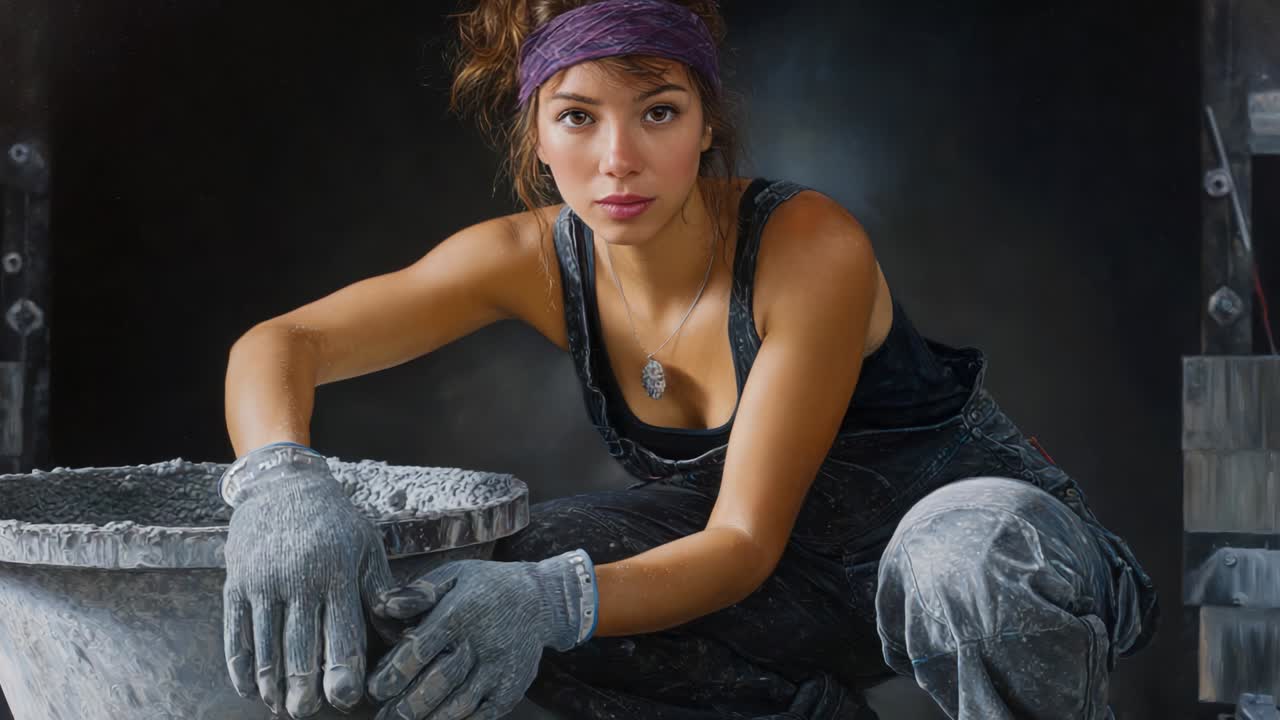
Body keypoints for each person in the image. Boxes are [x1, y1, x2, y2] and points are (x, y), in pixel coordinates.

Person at [217, 1, 1160, 719]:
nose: (618, 159)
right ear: (537, 136)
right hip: (789, 588)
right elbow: (282, 342)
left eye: (658, 112)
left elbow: (742, 540)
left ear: (706, 124)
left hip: (985, 554)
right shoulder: (527, 259)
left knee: (959, 555)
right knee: (510, 567)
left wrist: (550, 603)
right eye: (578, 117)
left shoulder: (808, 245)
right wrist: (279, 481)